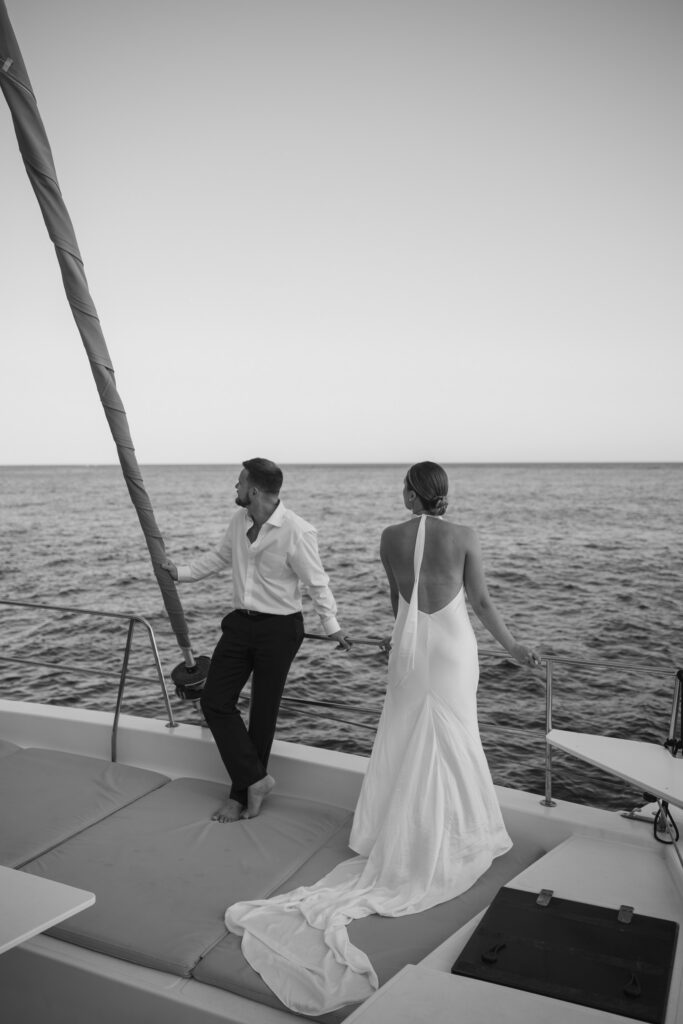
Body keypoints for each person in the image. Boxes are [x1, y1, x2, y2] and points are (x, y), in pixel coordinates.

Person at [224, 461, 541, 1015]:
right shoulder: (465, 536)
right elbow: (482, 602)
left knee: (406, 736)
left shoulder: (389, 537)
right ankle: (454, 836)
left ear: (413, 494)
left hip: (409, 648)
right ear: (441, 495)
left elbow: (399, 602)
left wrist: (398, 643)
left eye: (403, 487)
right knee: (456, 735)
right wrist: (514, 648)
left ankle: (404, 836)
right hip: (453, 648)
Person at [161, 458, 351, 824]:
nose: (235, 488)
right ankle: (256, 779)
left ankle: (241, 794)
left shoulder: (297, 531)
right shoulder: (239, 521)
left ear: (255, 490)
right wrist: (179, 573)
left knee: (263, 713)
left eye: (239, 483)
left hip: (280, 630)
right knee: (215, 701)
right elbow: (219, 557)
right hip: (239, 625)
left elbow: (317, 583)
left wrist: (332, 626)